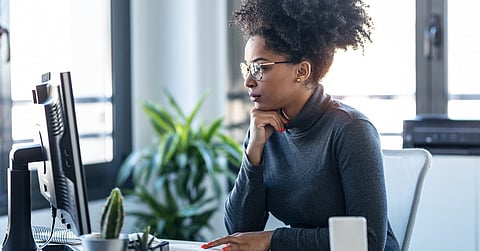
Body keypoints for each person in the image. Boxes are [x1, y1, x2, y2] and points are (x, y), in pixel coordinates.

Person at [202, 0, 400, 250]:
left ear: (302, 71)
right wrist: (253, 156)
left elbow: (367, 242)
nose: (249, 82)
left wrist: (273, 240)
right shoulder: (263, 130)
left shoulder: (351, 129)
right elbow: (239, 229)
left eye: (260, 67)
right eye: (248, 69)